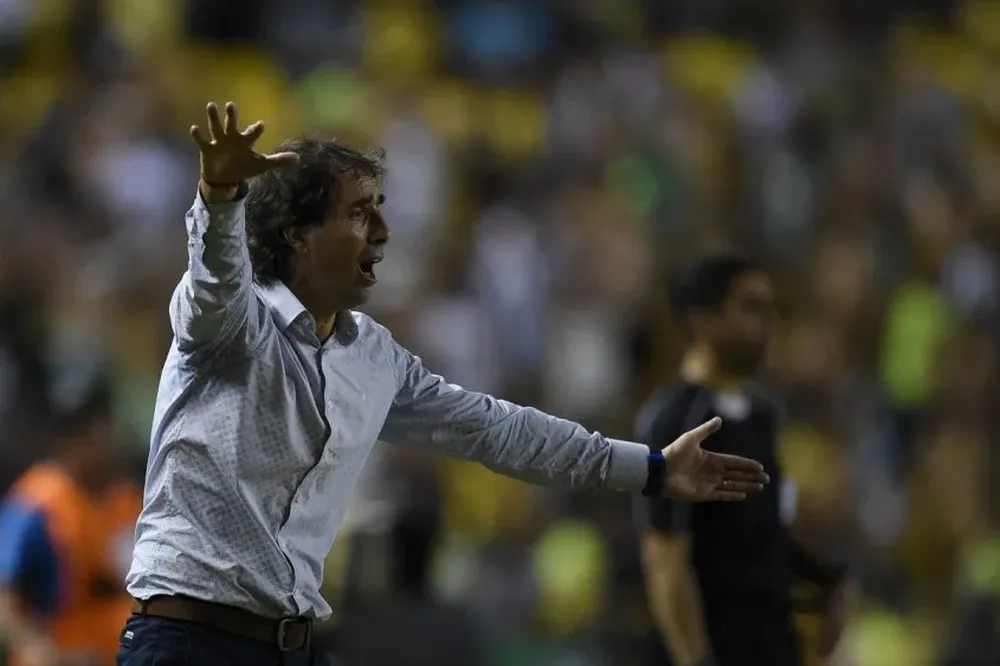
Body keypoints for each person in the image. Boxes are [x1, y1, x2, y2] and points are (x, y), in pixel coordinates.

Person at [119, 102, 770, 666]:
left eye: (379, 210)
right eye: (358, 214)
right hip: (184, 641)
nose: (383, 232)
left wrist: (651, 469)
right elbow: (212, 285)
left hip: (291, 648)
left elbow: (499, 431)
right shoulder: (230, 323)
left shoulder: (374, 358)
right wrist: (220, 197)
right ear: (297, 234)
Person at [634, 254, 852, 666]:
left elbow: (763, 530)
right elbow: (666, 561)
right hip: (719, 646)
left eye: (770, 310)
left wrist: (827, 580)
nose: (767, 324)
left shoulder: (761, 415)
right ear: (703, 322)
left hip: (771, 645)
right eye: (751, 308)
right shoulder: (677, 421)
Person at [0, 382, 141, 666]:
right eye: (92, 433)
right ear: (69, 442)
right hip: (65, 653)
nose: (105, 441)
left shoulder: (128, 499)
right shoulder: (37, 502)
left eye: (106, 428)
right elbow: (4, 597)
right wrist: (35, 647)